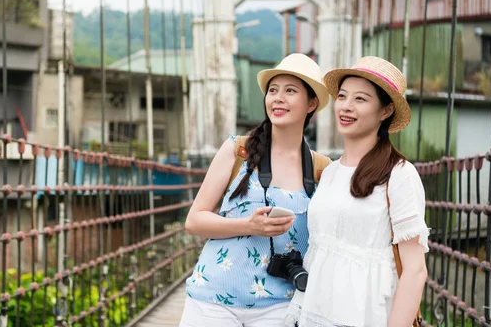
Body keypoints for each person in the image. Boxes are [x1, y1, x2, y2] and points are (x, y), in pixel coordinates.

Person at [180, 54, 331, 327]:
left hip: (279, 306)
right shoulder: (238, 150)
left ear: (311, 103)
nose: (278, 98)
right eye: (273, 90)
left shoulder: (322, 169)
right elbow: (194, 220)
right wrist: (250, 225)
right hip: (212, 299)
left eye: (290, 91)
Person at [284, 56, 429, 327]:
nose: (346, 107)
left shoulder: (399, 174)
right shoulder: (329, 173)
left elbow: (415, 270)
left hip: (365, 315)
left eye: (360, 99)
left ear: (385, 111)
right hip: (316, 309)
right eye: (342, 96)